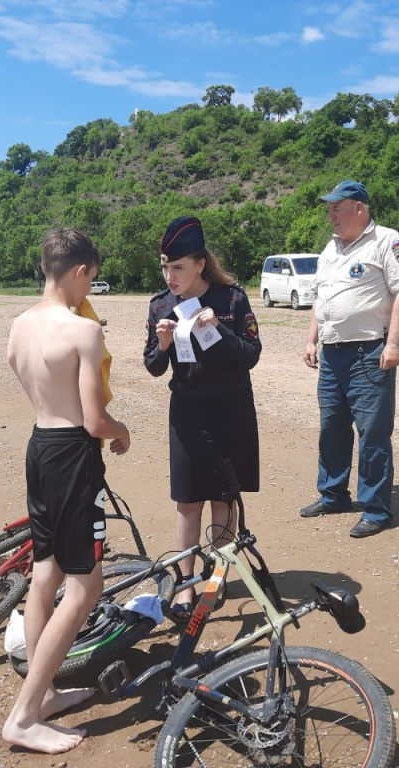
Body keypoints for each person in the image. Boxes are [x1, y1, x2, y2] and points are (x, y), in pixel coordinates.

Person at [2, 228, 131, 755]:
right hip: (74, 455)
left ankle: (45, 691)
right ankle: (25, 715)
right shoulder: (81, 331)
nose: (90, 290)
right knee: (84, 588)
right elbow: (95, 419)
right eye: (92, 279)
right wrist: (122, 431)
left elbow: (32, 383)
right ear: (79, 270)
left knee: (46, 572)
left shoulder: (19, 326)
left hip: (39, 447)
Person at [144, 216, 261, 622]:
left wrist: (220, 330)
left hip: (231, 410)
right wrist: (161, 345)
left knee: (224, 498)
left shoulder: (231, 300)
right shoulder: (160, 304)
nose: (169, 275)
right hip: (188, 412)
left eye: (177, 267)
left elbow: (251, 355)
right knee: (188, 499)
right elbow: (154, 367)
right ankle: (186, 584)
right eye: (164, 266)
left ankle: (220, 573)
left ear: (198, 263)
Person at [300, 181, 399, 538]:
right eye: (329, 208)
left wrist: (393, 344)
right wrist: (311, 340)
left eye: (337, 207)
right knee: (331, 429)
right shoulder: (330, 250)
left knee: (372, 433)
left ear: (359, 208)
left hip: (369, 352)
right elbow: (320, 301)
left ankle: (376, 509)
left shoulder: (386, 240)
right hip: (333, 354)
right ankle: (333, 494)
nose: (331, 214)